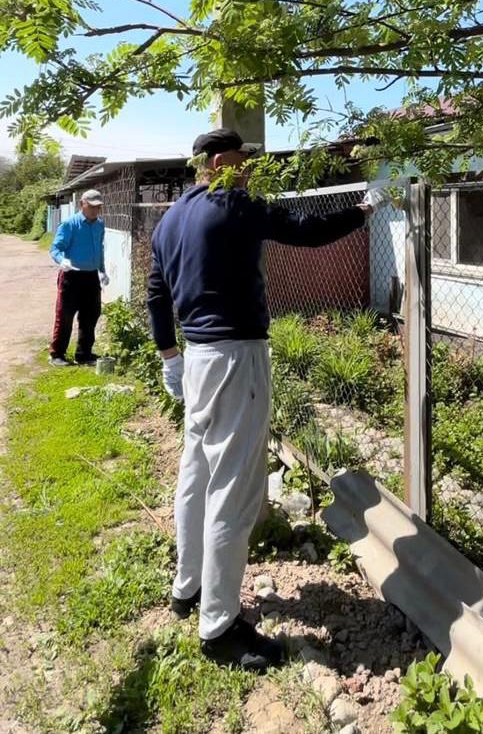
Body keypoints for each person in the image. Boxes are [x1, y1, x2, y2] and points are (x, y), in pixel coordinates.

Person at [147, 128, 391, 670]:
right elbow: (305, 230)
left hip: (197, 358)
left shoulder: (171, 218)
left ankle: (188, 588)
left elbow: (157, 294)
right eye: (244, 159)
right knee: (234, 490)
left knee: (196, 474)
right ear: (219, 162)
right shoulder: (234, 204)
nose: (251, 168)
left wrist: (170, 358)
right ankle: (220, 628)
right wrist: (365, 208)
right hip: (236, 358)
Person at [49, 188, 110, 367]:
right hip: (71, 275)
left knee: (91, 314)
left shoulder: (99, 225)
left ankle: (84, 353)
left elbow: (99, 249)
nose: (95, 210)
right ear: (82, 204)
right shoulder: (69, 224)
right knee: (65, 315)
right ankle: (57, 354)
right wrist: (61, 260)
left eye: (98, 207)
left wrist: (102, 270)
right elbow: (55, 248)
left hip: (91, 276)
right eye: (92, 206)